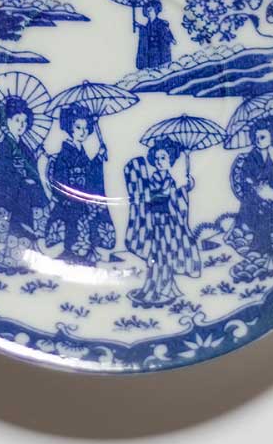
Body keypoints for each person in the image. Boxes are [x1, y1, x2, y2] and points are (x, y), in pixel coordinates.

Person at [0, 95, 51, 274]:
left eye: (24, 121)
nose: (21, 125)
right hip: (11, 195)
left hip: (25, 195)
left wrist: (35, 160)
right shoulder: (3, 146)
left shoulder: (24, 147)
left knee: (26, 228)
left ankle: (27, 260)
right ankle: (13, 259)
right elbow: (2, 171)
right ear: (6, 121)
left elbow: (31, 169)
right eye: (17, 120)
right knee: (17, 228)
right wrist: (22, 180)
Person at [125, 138, 201, 307]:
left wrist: (185, 188)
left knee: (167, 254)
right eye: (157, 158)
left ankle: (166, 288)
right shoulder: (153, 179)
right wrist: (174, 191)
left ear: (170, 160)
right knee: (157, 255)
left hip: (168, 222)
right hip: (156, 223)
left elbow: (175, 199)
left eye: (164, 158)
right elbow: (152, 197)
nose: (160, 162)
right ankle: (155, 288)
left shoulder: (170, 179)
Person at [225, 117, 273, 282]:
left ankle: (268, 261)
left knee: (271, 223)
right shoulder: (251, 157)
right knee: (261, 226)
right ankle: (259, 261)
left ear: (272, 137)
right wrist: (262, 186)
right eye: (256, 137)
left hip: (266, 199)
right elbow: (247, 179)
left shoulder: (269, 157)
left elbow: (271, 180)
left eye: (263, 137)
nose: (258, 140)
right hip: (254, 200)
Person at [45, 103, 116, 266]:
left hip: (82, 197)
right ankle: (72, 256)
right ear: (69, 127)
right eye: (78, 127)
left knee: (89, 224)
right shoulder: (64, 153)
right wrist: (68, 195)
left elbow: (89, 171)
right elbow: (60, 178)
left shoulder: (81, 151)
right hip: (70, 200)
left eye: (85, 128)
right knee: (74, 227)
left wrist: (98, 158)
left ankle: (83, 256)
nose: (82, 132)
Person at [135, 0, 175, 69]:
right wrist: (140, 26)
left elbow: (166, 33)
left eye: (150, 10)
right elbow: (146, 32)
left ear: (155, 10)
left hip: (159, 52)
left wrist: (170, 39)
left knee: (161, 70)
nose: (148, 12)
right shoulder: (148, 25)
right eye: (147, 10)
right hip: (149, 53)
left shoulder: (161, 23)